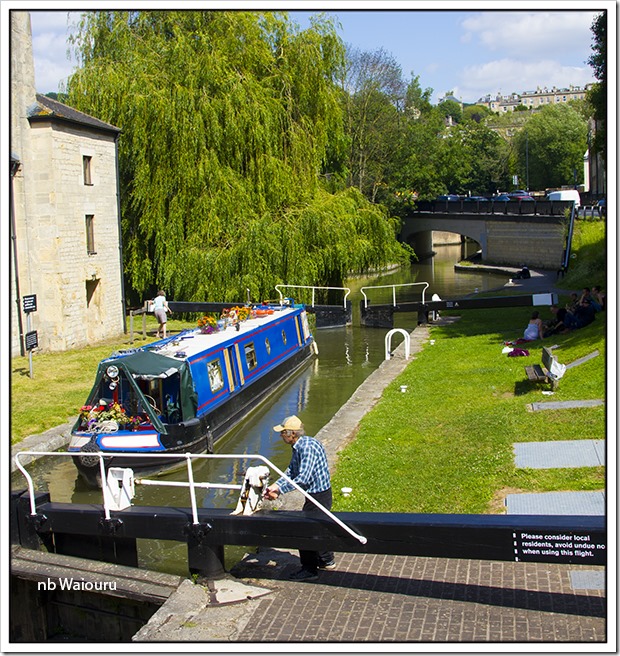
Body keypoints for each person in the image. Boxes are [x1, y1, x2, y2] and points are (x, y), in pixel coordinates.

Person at [264, 415, 335, 581]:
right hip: (315, 494)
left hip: (319, 494)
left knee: (304, 530)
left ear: (291, 434)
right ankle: (326, 560)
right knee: (317, 527)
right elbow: (291, 472)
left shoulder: (306, 448)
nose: (281, 436)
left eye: (282, 433)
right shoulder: (300, 445)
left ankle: (309, 569)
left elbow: (303, 478)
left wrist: (280, 491)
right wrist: (275, 486)